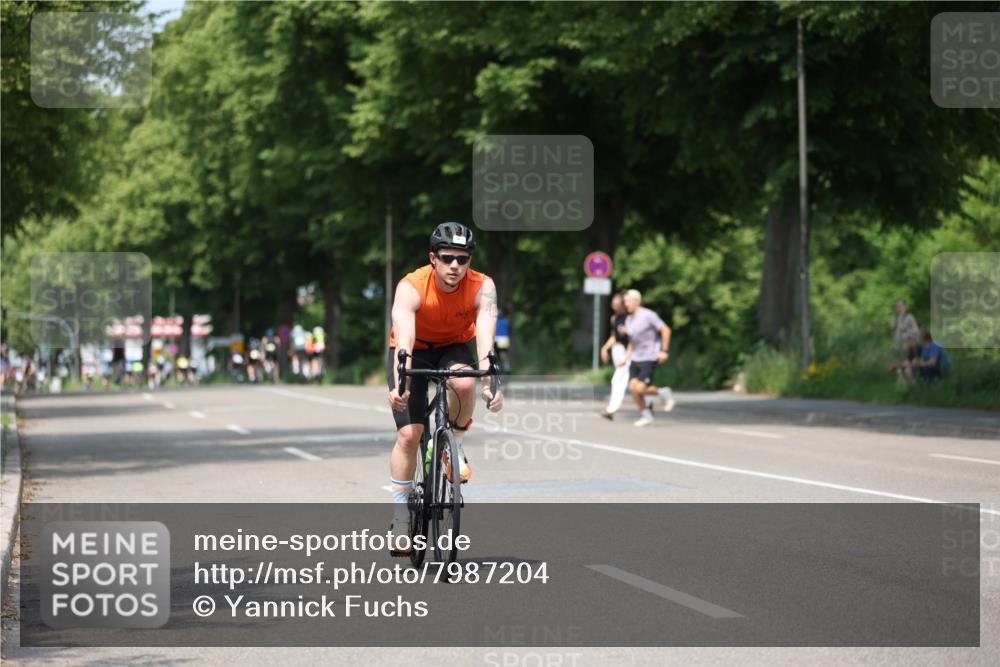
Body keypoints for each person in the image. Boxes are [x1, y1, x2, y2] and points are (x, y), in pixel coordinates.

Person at [386, 222, 504, 555]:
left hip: (453, 347)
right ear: (433, 258)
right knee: (409, 435)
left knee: (465, 382)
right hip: (414, 348)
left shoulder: (483, 286)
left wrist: (490, 382)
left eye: (462, 259)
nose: (455, 266)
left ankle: (455, 447)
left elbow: (485, 338)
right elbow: (405, 340)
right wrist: (401, 384)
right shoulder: (411, 287)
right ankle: (401, 515)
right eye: (447, 258)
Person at [622, 289, 674, 427]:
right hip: (635, 358)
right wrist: (626, 357)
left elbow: (666, 330)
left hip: (649, 357)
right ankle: (646, 415)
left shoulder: (648, 315)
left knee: (640, 389)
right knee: (633, 388)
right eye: (625, 301)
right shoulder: (629, 319)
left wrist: (664, 351)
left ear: (637, 301)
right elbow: (632, 341)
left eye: (628, 301)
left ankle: (664, 392)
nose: (626, 304)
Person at [599, 292, 631, 419]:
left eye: (617, 302)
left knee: (617, 380)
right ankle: (660, 394)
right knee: (633, 382)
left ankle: (611, 409)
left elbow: (633, 338)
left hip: (627, 351)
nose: (614, 304)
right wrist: (605, 348)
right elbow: (614, 336)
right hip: (616, 351)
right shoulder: (614, 318)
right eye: (613, 302)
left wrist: (626, 357)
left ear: (623, 304)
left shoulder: (629, 318)